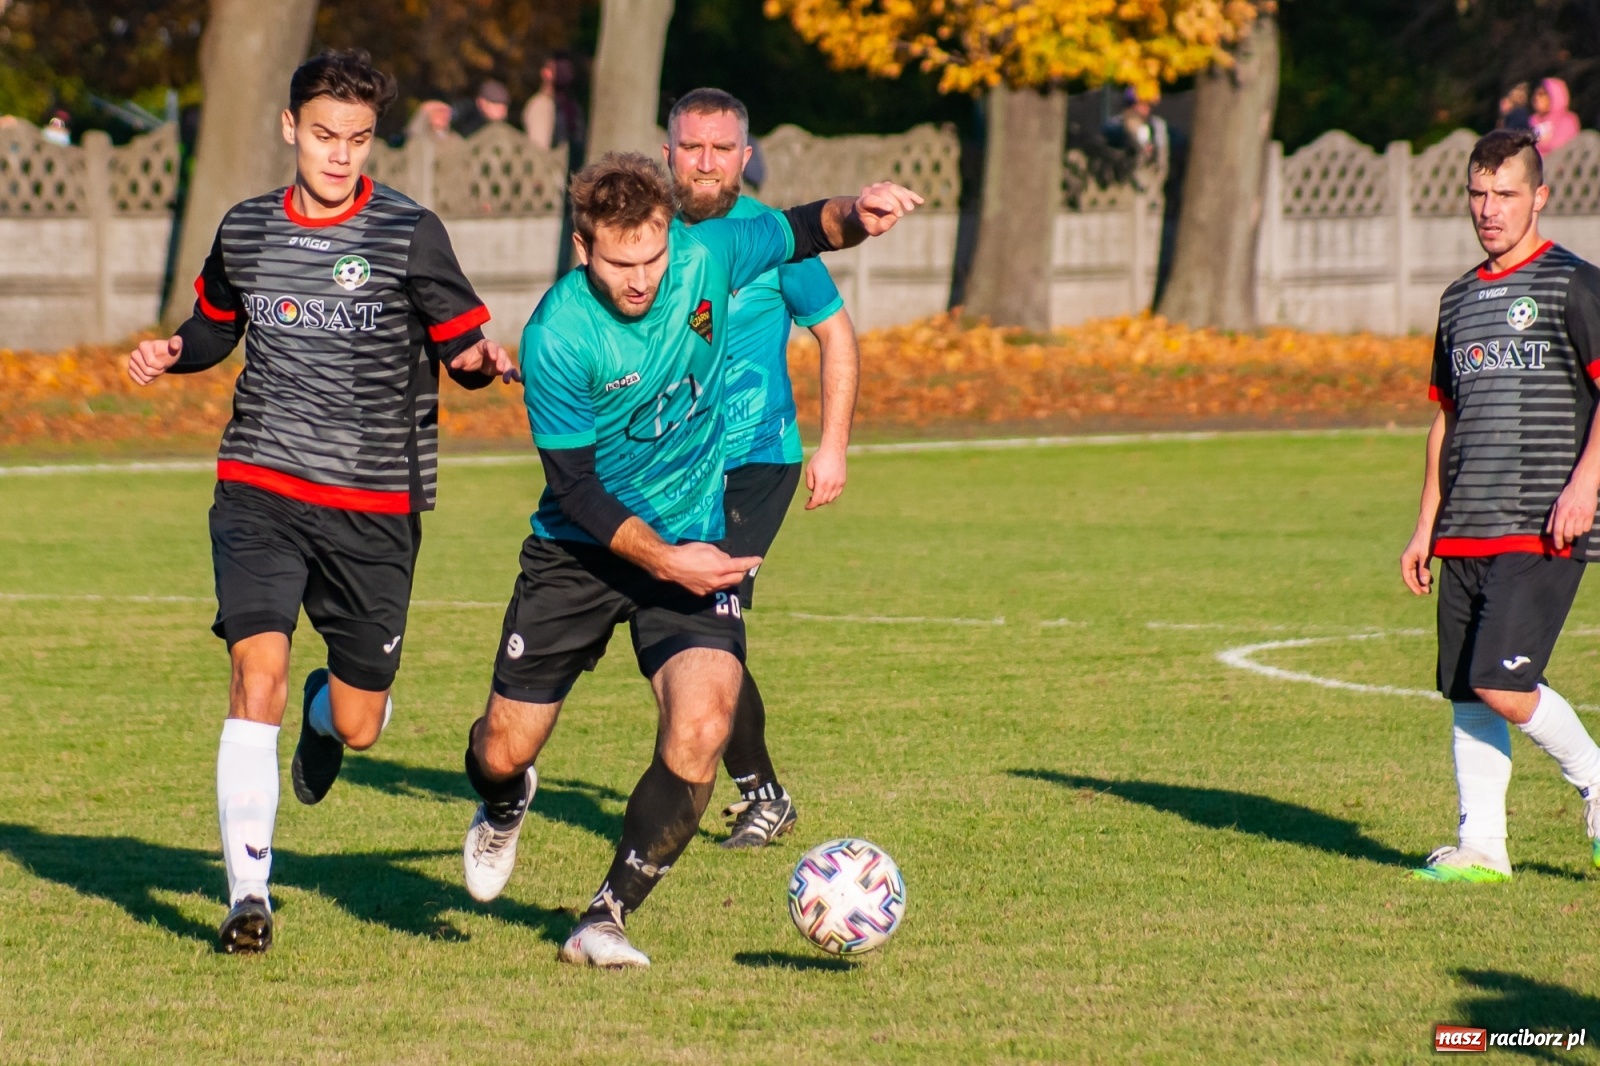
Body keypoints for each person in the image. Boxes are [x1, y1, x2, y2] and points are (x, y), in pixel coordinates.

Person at [458, 152, 921, 968]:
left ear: (671, 238)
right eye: (619, 263)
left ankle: (605, 916)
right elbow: (579, 490)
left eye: (652, 258)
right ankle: (502, 805)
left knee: (703, 724)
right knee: (502, 749)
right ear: (582, 249)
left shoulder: (707, 255)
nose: (639, 280)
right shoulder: (559, 335)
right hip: (580, 552)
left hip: (695, 535)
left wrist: (862, 207)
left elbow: (804, 228)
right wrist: (666, 560)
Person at [125, 49, 516, 953]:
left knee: (359, 721)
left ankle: (321, 715)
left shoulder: (411, 233)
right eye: (324, 135)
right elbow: (218, 324)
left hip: (373, 504)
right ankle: (248, 898)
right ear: (290, 129)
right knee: (249, 672)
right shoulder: (248, 228)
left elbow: (464, 347)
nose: (339, 155)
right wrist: (174, 353)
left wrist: (478, 365)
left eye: (358, 139)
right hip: (259, 483)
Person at [1400, 128, 1600, 882]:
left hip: (1544, 522)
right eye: (1478, 195)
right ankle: (1483, 848)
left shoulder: (1575, 284)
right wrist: (1425, 527)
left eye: (1505, 194)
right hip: (1465, 528)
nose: (1489, 209)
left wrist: (1585, 485)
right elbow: (1444, 420)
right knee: (1467, 690)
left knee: (1503, 683)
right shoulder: (1457, 301)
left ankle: (1596, 779)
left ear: (1539, 197)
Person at [661, 87, 858, 848]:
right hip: (669, 467)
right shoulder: (645, 235)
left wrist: (833, 444)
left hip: (756, 459)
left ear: (745, 156)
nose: (705, 162)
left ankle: (762, 794)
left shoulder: (774, 238)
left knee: (708, 616)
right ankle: (751, 785)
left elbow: (837, 339)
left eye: (721, 149)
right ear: (669, 149)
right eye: (691, 146)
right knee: (682, 623)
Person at [1531, 78, 1579, 156]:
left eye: (1542, 94)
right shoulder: (1534, 121)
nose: (1536, 98)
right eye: (1536, 94)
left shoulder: (1567, 120)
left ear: (1555, 96)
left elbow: (1558, 148)